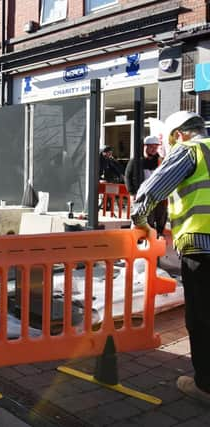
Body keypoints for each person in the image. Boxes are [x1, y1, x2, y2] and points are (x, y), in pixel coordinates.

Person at [131, 110, 210, 405]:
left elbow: (148, 193)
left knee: (201, 318)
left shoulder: (189, 151)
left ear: (178, 135)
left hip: (201, 247)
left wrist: (140, 224)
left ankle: (205, 385)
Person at [124, 135, 167, 236]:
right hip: (144, 195)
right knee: (148, 217)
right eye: (151, 147)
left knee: (161, 215)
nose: (154, 149)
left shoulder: (160, 161)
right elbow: (128, 176)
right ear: (144, 146)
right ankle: (148, 236)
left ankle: (159, 234)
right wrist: (132, 193)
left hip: (159, 194)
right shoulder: (136, 161)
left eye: (155, 147)